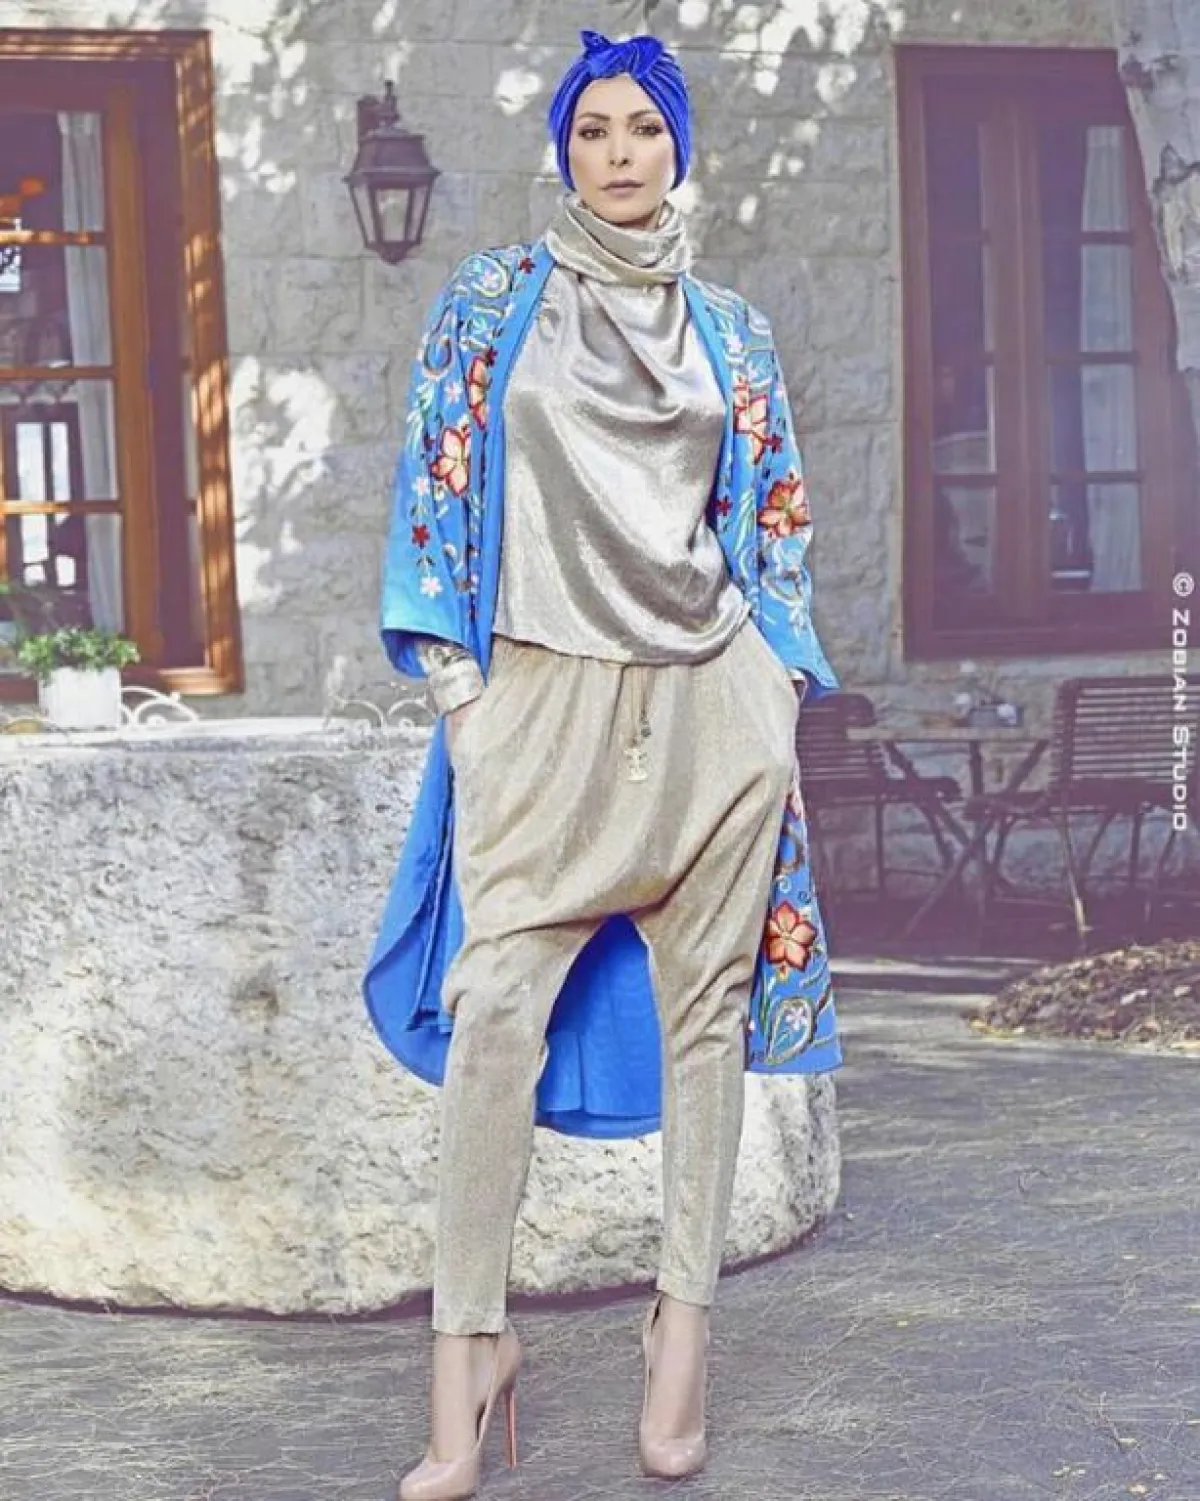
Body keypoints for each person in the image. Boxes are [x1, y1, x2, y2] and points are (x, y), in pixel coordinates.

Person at [364, 28, 843, 1500]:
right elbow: (433, 482)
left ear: (678, 146)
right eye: (593, 130)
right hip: (542, 706)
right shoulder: (491, 302)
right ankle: (469, 1348)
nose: (618, 153)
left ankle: (678, 1334)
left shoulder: (732, 332)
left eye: (643, 128)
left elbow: (774, 519)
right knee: (495, 1016)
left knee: (706, 1030)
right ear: (564, 150)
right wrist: (464, 697)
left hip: (713, 711)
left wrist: (774, 690)